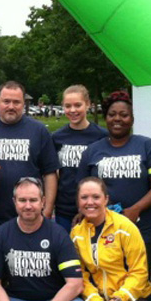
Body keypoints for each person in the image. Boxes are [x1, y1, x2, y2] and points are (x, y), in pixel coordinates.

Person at [77, 89, 151, 301]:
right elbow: (85, 188)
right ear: (106, 117)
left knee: (142, 288)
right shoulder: (94, 149)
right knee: (98, 276)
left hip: (138, 228)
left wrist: (135, 209)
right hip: (100, 229)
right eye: (113, 114)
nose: (118, 119)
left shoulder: (147, 146)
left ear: (132, 118)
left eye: (123, 114)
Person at [0, 81, 58, 290]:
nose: (11, 106)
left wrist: (47, 210)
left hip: (29, 218)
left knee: (27, 275)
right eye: (6, 101)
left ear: (24, 104)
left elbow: (50, 173)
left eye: (16, 102)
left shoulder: (38, 130)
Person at [51, 84, 107, 233]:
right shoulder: (57, 138)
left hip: (93, 207)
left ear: (88, 105)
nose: (73, 110)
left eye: (78, 105)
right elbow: (53, 173)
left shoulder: (101, 136)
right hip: (64, 208)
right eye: (68, 106)